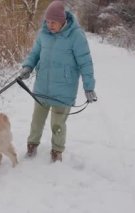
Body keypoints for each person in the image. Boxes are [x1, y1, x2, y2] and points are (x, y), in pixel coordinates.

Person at [19, 0, 97, 162]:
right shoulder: (43, 34)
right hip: (42, 87)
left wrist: (89, 87)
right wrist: (28, 67)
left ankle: (57, 151)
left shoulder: (76, 36)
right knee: (36, 121)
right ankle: (32, 145)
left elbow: (85, 62)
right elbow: (35, 53)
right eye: (47, 21)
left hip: (64, 90)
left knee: (58, 125)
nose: (50, 25)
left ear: (63, 21)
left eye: (53, 22)